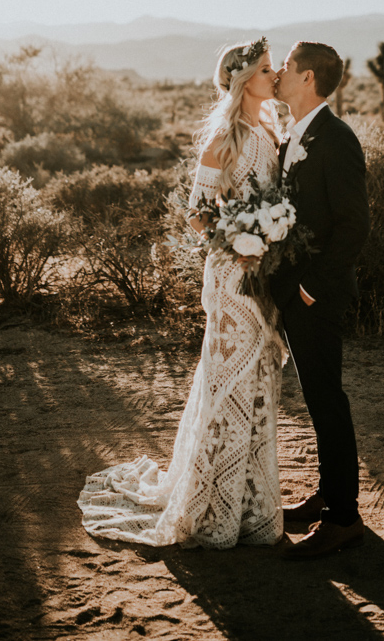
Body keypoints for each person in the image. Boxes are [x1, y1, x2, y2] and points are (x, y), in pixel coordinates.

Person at [77, 38, 286, 549]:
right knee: (227, 381)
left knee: (259, 382)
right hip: (233, 276)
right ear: (241, 81)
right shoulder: (222, 138)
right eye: (265, 70)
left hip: (267, 278)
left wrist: (271, 237)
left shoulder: (271, 129)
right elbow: (196, 214)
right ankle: (210, 502)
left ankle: (253, 502)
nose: (274, 75)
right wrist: (241, 238)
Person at [271, 41, 371, 559]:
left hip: (319, 297)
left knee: (327, 401)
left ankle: (343, 518)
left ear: (307, 78)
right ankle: (331, 494)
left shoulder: (336, 139)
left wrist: (310, 289)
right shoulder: (294, 134)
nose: (280, 73)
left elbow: (354, 227)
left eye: (286, 66)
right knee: (316, 400)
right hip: (297, 293)